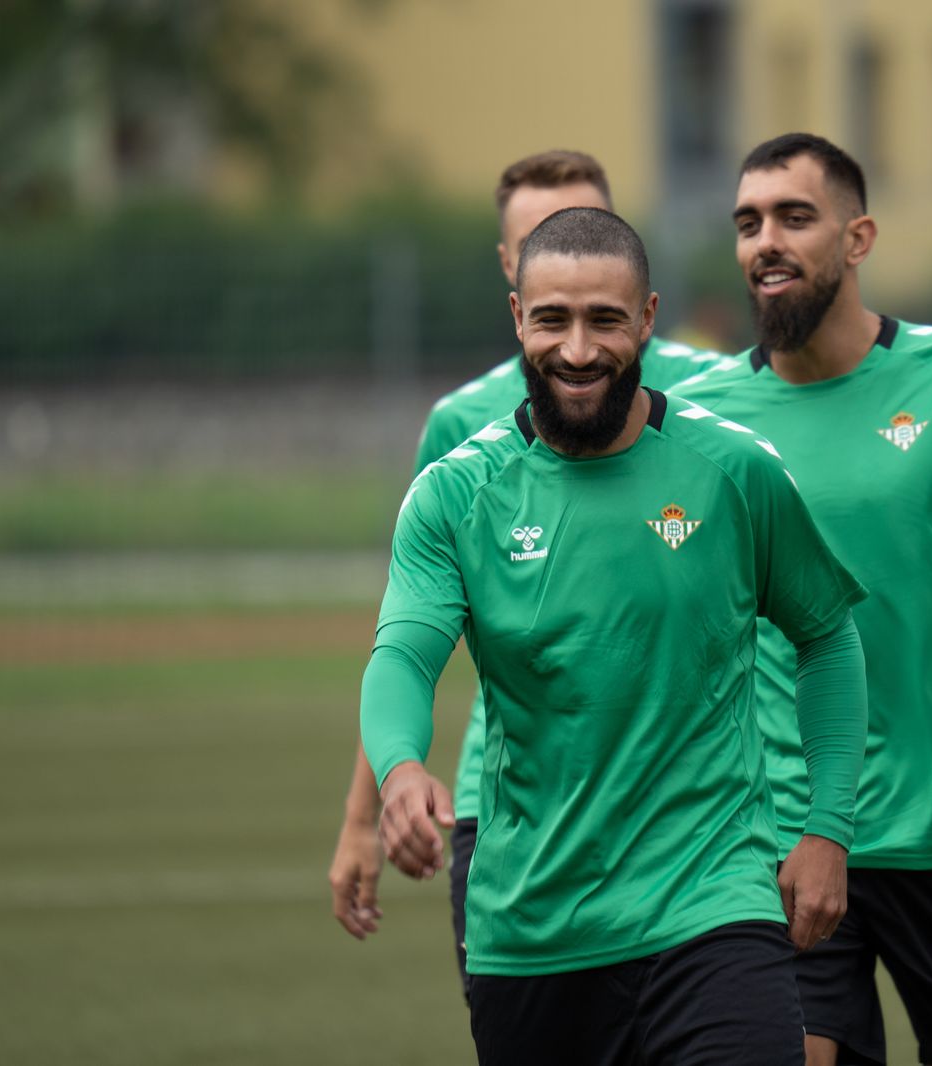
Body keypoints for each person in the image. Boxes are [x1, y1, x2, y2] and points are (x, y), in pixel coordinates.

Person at [363, 206, 869, 1065]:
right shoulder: (457, 494)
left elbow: (827, 636)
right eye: (552, 318)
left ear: (646, 319)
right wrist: (400, 767)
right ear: (518, 317)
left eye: (605, 319)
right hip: (532, 929)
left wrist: (827, 827)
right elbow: (404, 653)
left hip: (714, 904)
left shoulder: (735, 470)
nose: (578, 349)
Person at [673, 133, 932, 1066]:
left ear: (858, 239)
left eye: (793, 217)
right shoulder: (697, 424)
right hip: (780, 833)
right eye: (747, 223)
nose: (764, 241)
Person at [327, 150, 732, 993]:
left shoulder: (717, 400)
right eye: (536, 240)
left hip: (694, 805)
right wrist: (366, 813)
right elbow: (413, 623)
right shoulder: (461, 434)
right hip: (510, 803)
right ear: (513, 270)